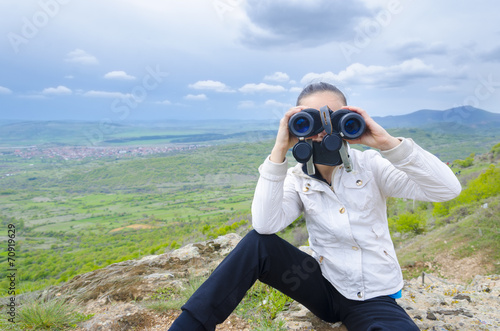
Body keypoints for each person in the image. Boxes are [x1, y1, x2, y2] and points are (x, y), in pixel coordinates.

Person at [169, 82, 462, 330]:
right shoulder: (297, 178)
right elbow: (265, 225)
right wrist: (279, 150)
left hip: (370, 296)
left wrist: (387, 143)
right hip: (321, 286)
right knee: (258, 243)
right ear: (298, 125)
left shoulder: (372, 166)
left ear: (349, 120)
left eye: (332, 119)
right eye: (312, 121)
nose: (322, 131)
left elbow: (447, 189)